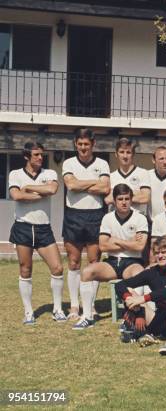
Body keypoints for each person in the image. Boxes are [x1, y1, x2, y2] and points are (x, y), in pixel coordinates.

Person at [73, 184, 148, 330]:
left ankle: (131, 316)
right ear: (114, 200)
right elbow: (103, 246)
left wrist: (117, 240)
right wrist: (130, 242)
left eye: (127, 198)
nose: (124, 202)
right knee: (87, 272)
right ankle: (87, 316)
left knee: (139, 274)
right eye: (120, 199)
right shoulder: (108, 218)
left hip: (132, 261)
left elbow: (139, 247)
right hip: (112, 262)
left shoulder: (140, 218)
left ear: (132, 199)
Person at [9, 142, 65, 324]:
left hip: (43, 228)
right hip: (23, 227)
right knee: (25, 269)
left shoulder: (49, 174)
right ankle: (28, 312)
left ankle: (57, 309)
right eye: (36, 155)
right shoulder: (15, 174)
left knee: (57, 268)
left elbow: (52, 189)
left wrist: (29, 188)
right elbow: (16, 196)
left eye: (41, 154)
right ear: (27, 157)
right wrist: (39, 194)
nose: (41, 158)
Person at [62, 128, 110, 320]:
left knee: (93, 262)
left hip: (95, 215)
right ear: (76, 144)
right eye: (80, 144)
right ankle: (74, 306)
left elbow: (105, 188)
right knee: (73, 262)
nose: (83, 148)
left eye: (86, 144)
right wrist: (93, 183)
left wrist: (80, 183)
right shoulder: (68, 163)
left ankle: (90, 305)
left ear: (93, 144)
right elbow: (70, 185)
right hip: (73, 215)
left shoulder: (102, 163)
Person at [115, 235, 166, 344]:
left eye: (164, 252)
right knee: (130, 293)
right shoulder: (152, 272)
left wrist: (144, 298)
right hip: (159, 318)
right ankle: (135, 326)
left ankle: (143, 332)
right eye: (157, 253)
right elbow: (120, 284)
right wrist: (131, 301)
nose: (160, 256)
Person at [106, 137, 150, 214]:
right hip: (116, 221)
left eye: (128, 152)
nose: (125, 156)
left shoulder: (143, 173)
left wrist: (118, 197)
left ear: (133, 154)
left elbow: (145, 198)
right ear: (116, 154)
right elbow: (108, 199)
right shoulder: (111, 176)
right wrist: (135, 193)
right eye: (122, 152)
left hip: (137, 220)